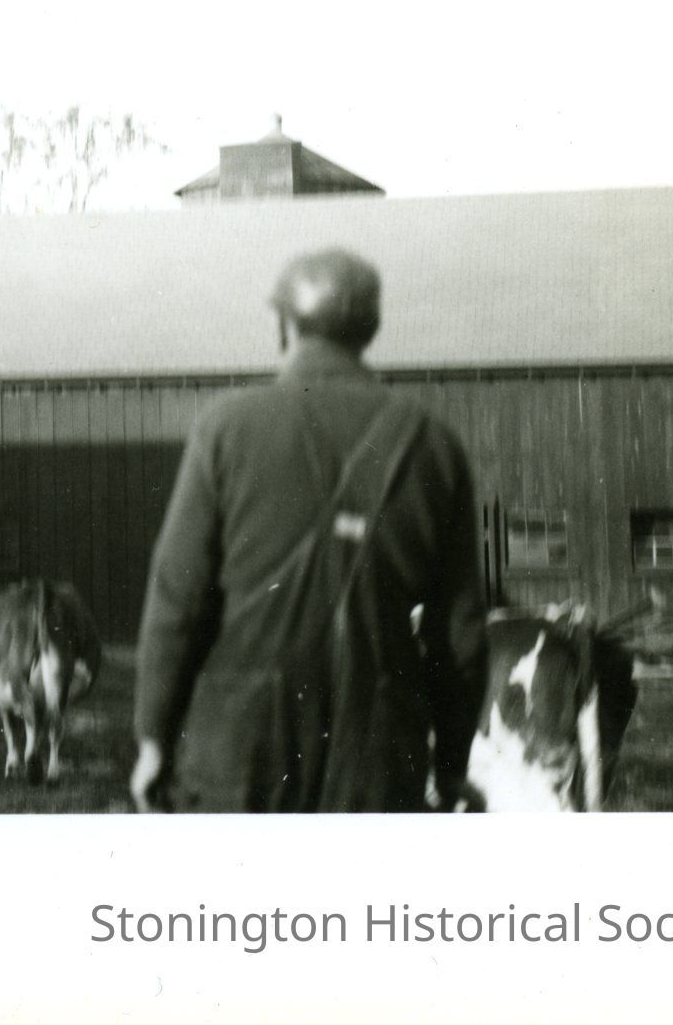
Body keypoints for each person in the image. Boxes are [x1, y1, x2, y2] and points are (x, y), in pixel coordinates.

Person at [129, 248, 486, 813]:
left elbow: (179, 598)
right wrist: (451, 764)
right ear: (371, 330)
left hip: (240, 753)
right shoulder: (434, 444)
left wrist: (153, 739)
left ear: (284, 326)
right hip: (379, 756)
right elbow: (460, 634)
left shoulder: (226, 427)